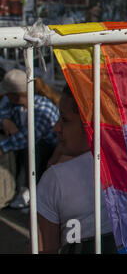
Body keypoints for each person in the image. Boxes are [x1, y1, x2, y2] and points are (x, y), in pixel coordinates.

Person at [37, 85, 116, 254]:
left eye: (65, 120)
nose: (56, 127)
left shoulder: (55, 179)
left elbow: (44, 249)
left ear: (90, 125)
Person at [0, 69, 60, 209]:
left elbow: (30, 136)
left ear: (14, 95)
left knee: (31, 146)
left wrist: (2, 147)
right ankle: (20, 188)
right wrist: (5, 120)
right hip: (31, 149)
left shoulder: (42, 108)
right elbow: (1, 109)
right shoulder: (14, 103)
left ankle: (32, 191)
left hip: (50, 151)